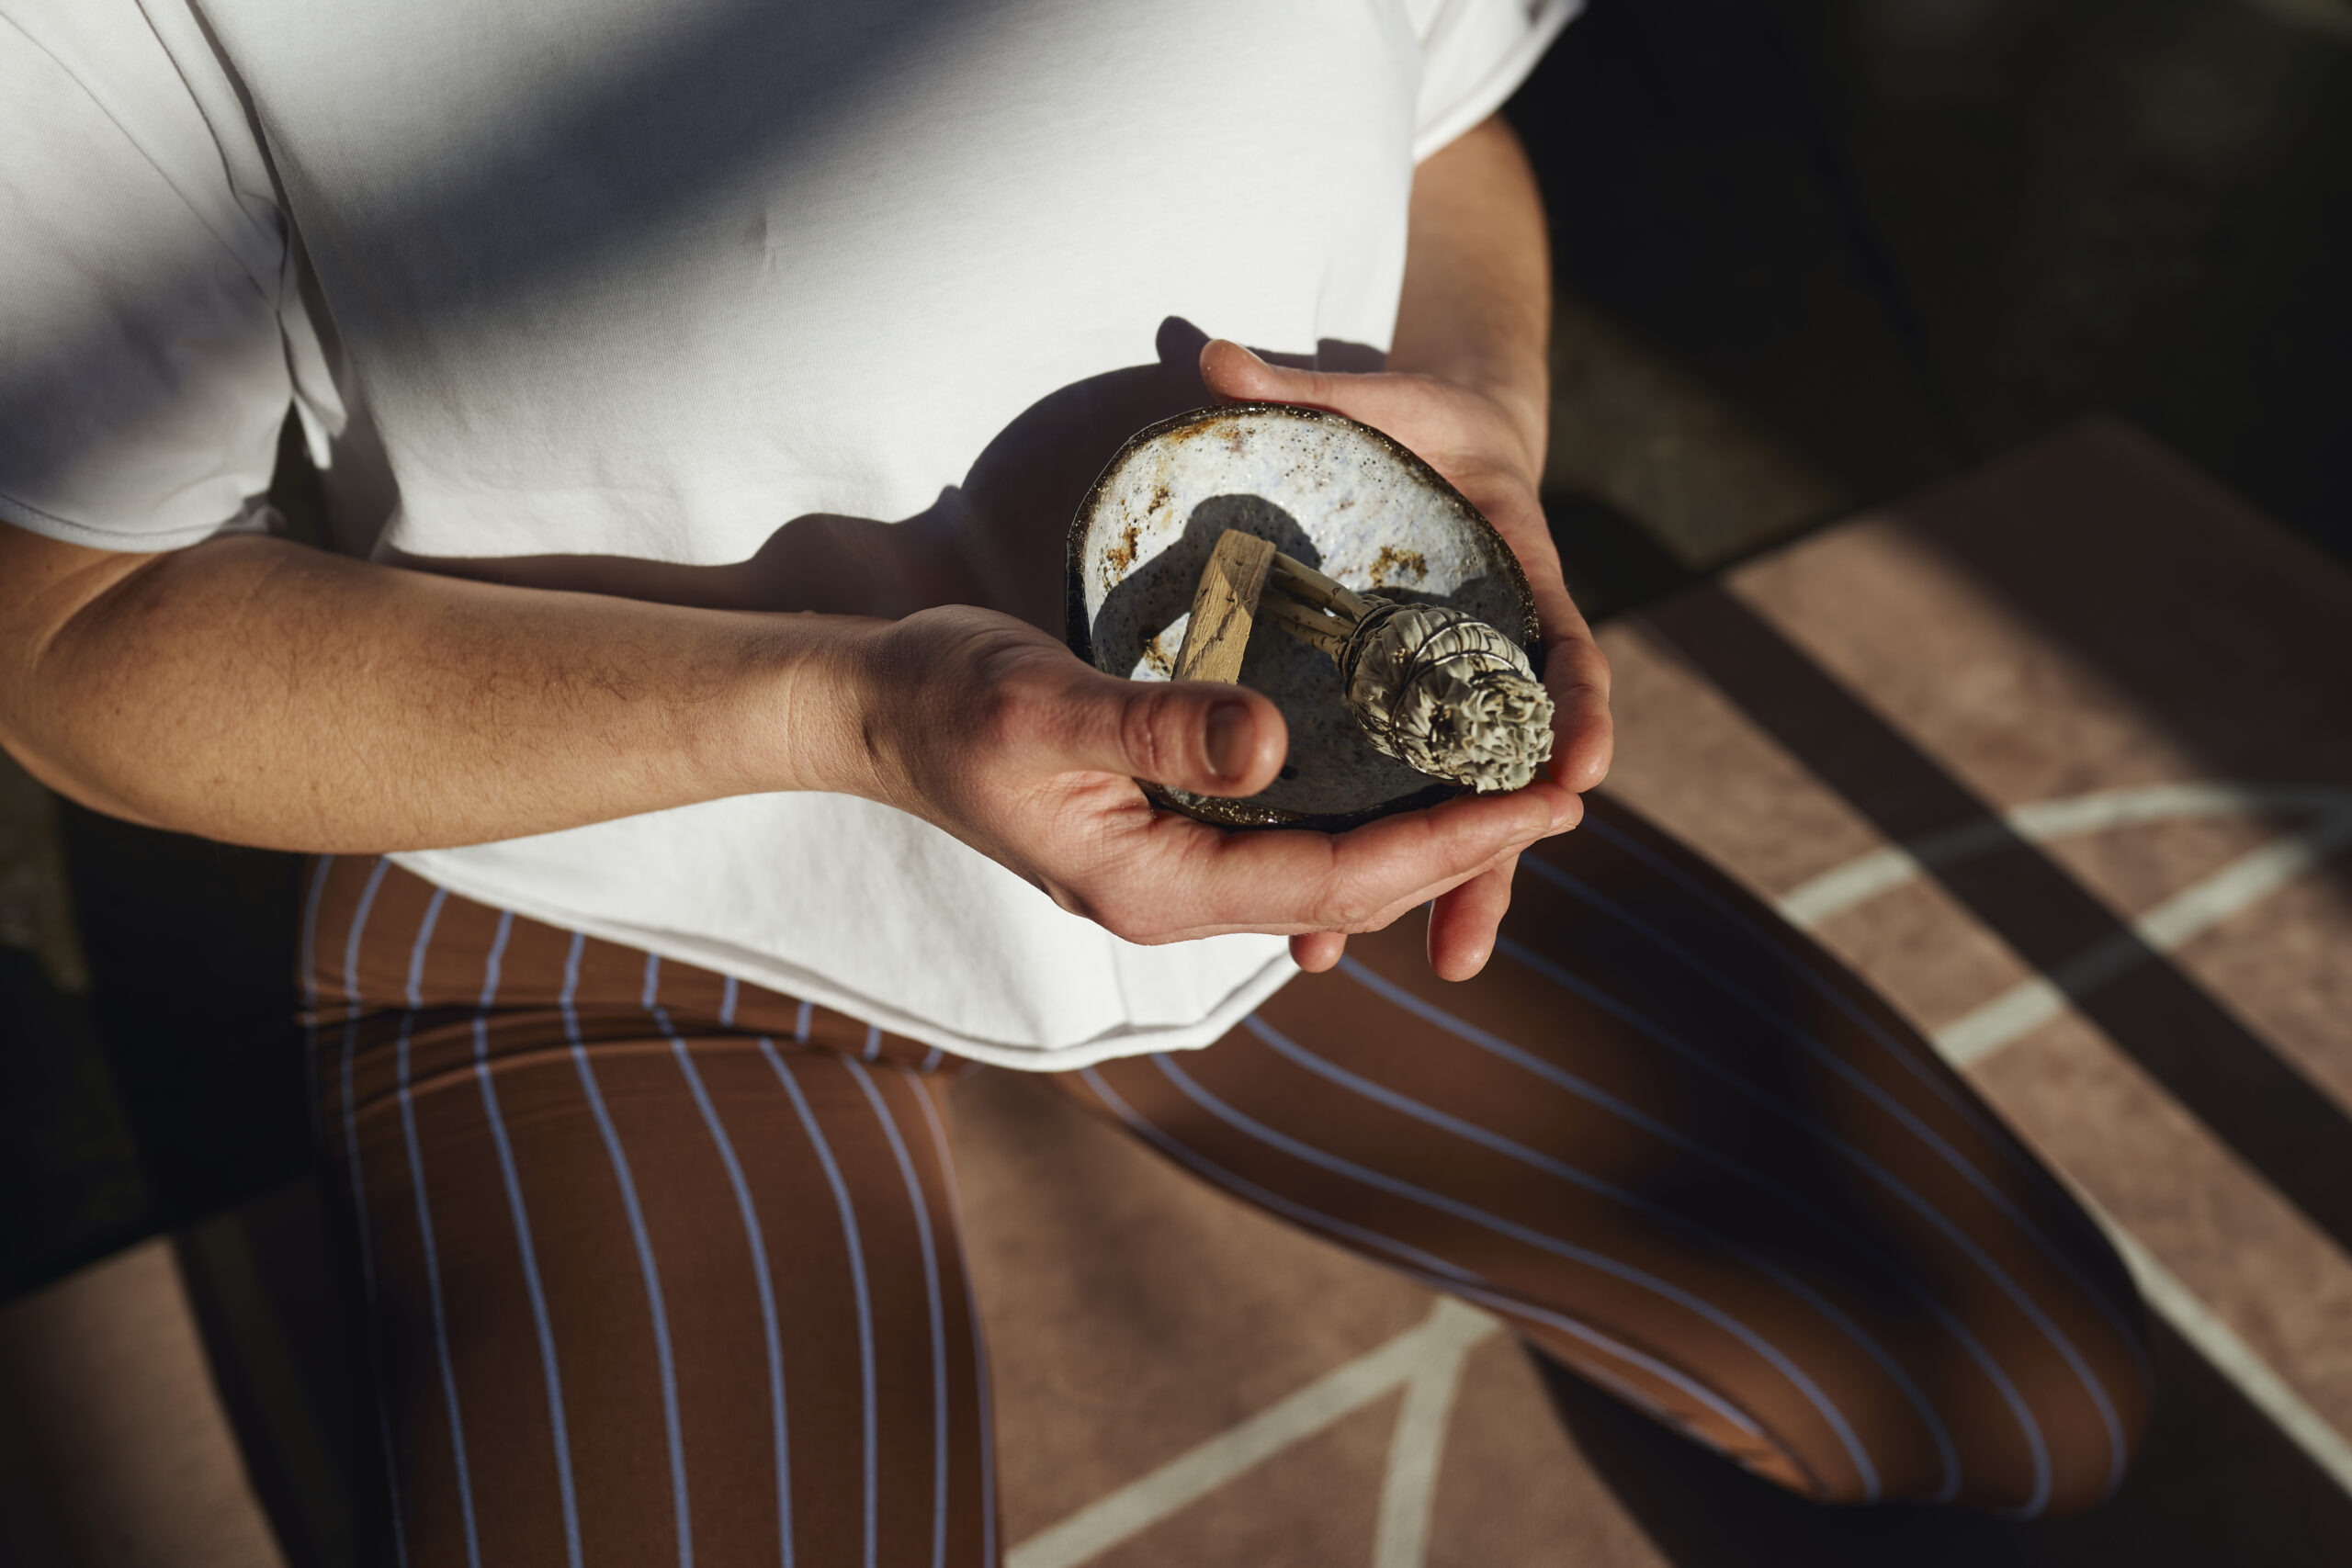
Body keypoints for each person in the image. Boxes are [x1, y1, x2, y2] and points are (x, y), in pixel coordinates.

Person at [0, 1, 2149, 1562]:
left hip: (1273, 825)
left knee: (2024, 1396)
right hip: (599, 885)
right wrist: (851, 713)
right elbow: (67, 634)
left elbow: (1439, 123)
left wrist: (1477, 408)